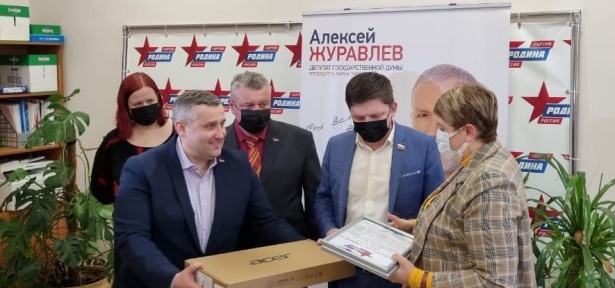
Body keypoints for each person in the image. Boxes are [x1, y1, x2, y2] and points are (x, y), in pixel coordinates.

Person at [113, 90, 303, 288]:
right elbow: (132, 237)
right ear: (181, 128)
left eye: (222, 123)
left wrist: (305, 249)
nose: (221, 134)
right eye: (210, 126)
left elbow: (266, 221)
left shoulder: (238, 165)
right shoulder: (142, 168)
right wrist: (173, 279)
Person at [389, 83, 535, 288]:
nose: (436, 134)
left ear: (468, 132)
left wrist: (417, 278)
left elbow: (494, 281)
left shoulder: (491, 181)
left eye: (443, 128)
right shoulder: (482, 157)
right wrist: (417, 225)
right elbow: (464, 223)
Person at [315, 72, 444, 288]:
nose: (368, 123)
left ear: (393, 109)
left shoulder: (423, 146)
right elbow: (323, 198)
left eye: (375, 116)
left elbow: (437, 209)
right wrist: (331, 232)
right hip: (345, 268)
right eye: (359, 118)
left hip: (399, 271)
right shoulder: (336, 146)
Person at [223, 71, 321, 246]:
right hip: (231, 244)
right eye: (249, 105)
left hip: (289, 241)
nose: (257, 110)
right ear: (232, 105)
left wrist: (314, 243)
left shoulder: (299, 139)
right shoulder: (217, 143)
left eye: (263, 104)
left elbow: (315, 197)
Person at [90, 72, 174, 204]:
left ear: (158, 98)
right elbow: (99, 187)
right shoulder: (114, 142)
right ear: (126, 107)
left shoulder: (180, 134)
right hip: (130, 215)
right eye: (138, 104)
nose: (145, 106)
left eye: (150, 101)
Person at [410, 64, 476, 178]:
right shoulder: (395, 180)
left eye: (447, 115)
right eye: (423, 115)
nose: (432, 133)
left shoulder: (495, 181)